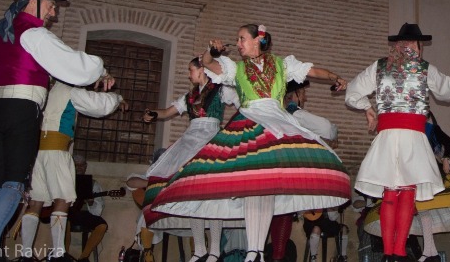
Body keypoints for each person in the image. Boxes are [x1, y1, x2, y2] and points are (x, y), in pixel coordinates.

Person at [148, 24, 352, 262]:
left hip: (275, 122)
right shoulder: (236, 69)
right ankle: (252, 252)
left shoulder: (280, 64)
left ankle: (256, 251)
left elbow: (312, 71)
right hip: (249, 124)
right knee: (255, 186)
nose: (238, 43)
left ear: (257, 40)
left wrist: (334, 76)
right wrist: (211, 52)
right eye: (237, 39)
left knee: (265, 188)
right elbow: (208, 64)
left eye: (242, 38)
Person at [0, 0, 113, 259]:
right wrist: (100, 70)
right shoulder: (34, 34)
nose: (53, 12)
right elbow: (73, 65)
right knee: (15, 182)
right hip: (21, 110)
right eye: (50, 5)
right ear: (31, 2)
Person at [345, 23, 450, 262]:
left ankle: (390, 253)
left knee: (391, 191)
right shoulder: (424, 68)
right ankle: (397, 253)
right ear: (417, 46)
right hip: (411, 137)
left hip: (388, 136)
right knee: (406, 193)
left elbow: (351, 93)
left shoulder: (379, 66)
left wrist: (368, 107)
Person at [142, 57, 243, 262]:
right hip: (191, 140)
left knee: (212, 196)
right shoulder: (188, 97)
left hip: (211, 139)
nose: (189, 75)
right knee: (192, 195)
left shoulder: (220, 89)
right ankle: (199, 248)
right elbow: (168, 112)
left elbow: (241, 102)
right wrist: (154, 113)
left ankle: (214, 250)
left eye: (191, 70)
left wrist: (237, 127)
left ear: (202, 70)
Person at [16, 80, 126, 262]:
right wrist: (118, 98)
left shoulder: (41, 87)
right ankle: (58, 253)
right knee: (63, 199)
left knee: (35, 202)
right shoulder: (68, 90)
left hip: (36, 153)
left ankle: (26, 254)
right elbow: (98, 105)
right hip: (57, 152)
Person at [362, 111, 450, 262]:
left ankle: (426, 251)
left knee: (423, 209)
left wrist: (447, 158)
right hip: (407, 173)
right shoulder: (405, 127)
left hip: (424, 173)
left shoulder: (429, 129)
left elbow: (448, 142)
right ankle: (426, 251)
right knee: (414, 211)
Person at [268, 79, 341, 262]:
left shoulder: (273, 113)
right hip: (291, 171)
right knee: (283, 213)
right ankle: (277, 256)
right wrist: (333, 133)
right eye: (304, 93)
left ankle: (270, 254)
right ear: (296, 95)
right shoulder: (295, 113)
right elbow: (327, 128)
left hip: (272, 168)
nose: (306, 96)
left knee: (275, 214)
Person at [67, 155, 108, 262]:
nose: (80, 168)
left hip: (84, 213)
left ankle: (83, 257)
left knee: (102, 225)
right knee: (63, 220)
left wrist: (91, 203)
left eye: (82, 165)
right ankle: (63, 255)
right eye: (76, 165)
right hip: (67, 212)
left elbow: (97, 211)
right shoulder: (65, 180)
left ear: (86, 166)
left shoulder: (93, 184)